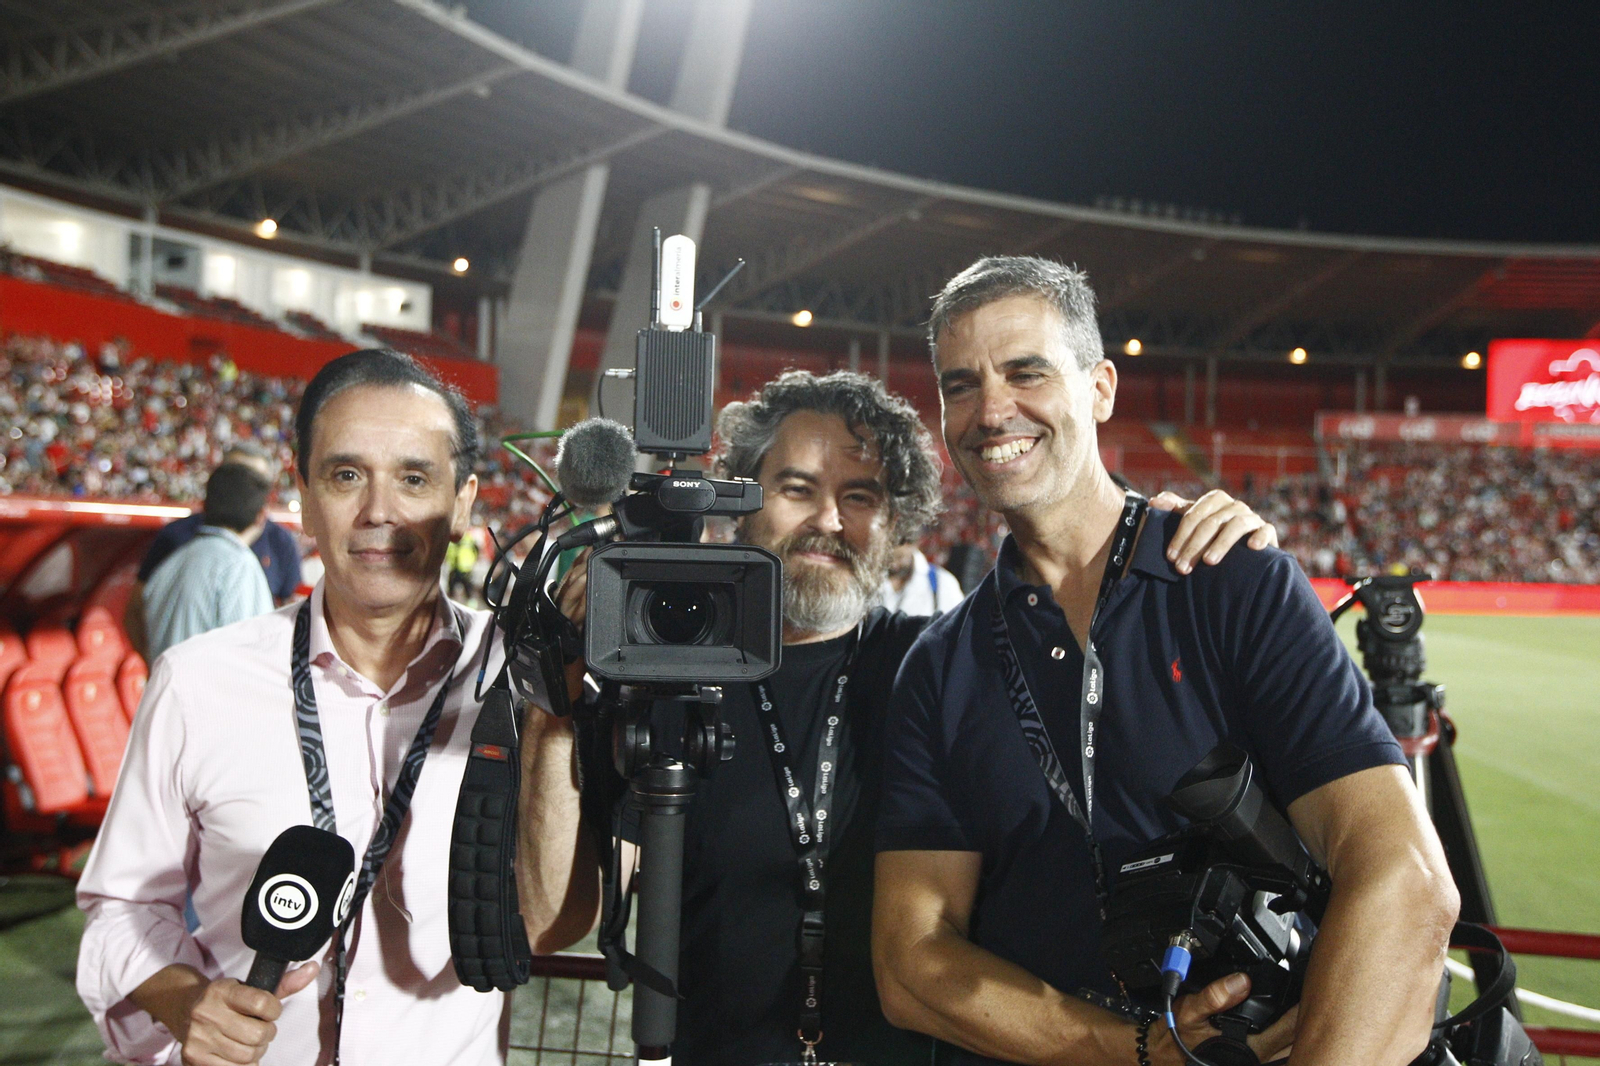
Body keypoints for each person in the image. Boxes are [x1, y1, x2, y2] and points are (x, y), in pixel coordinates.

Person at [545, 370, 1278, 1066]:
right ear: (740, 498)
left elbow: (1109, 648)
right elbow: (552, 921)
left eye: (860, 496)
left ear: (896, 522)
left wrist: (1179, 545)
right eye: (797, 488)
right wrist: (551, 698)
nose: (829, 520)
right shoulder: (670, 679)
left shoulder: (948, 667)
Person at [872, 258, 1460, 1066]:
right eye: (961, 385)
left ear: (1101, 389)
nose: (991, 411)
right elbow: (911, 963)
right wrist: (1139, 1048)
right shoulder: (939, 666)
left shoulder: (1231, 581)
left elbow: (1405, 875)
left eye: (1025, 372)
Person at [77, 348, 595, 1066]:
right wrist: (181, 998)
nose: (379, 512)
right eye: (346, 475)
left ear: (464, 502)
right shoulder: (196, 682)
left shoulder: (527, 681)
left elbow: (551, 923)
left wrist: (557, 715)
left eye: (414, 478)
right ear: (302, 495)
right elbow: (122, 908)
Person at [125, 442, 304, 658]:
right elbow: (248, 657)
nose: (242, 486)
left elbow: (293, 614)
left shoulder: (280, 541)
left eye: (253, 479)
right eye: (235, 474)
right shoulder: (180, 539)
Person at [141, 462, 274, 662]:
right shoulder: (240, 565)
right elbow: (251, 658)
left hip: (165, 679)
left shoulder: (172, 562)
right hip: (210, 682)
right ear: (261, 516)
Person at [879, 541, 965, 615]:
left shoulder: (944, 583)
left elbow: (958, 625)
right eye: (888, 559)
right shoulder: (874, 579)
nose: (893, 565)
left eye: (899, 557)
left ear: (911, 545)